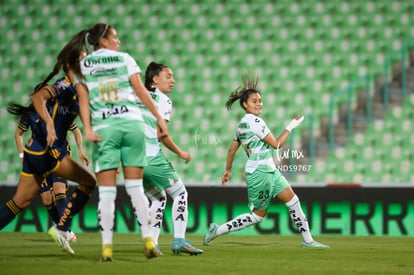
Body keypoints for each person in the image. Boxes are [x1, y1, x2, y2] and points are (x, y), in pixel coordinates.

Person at [73, 23, 168, 261]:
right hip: (132, 125)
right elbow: (141, 91)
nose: (119, 41)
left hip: (106, 129)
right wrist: (158, 117)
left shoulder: (83, 65)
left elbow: (83, 101)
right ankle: (148, 240)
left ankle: (106, 247)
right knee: (136, 188)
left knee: (107, 192)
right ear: (103, 41)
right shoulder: (125, 59)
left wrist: (87, 129)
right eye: (115, 37)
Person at [203, 73, 329, 248]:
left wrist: (228, 170)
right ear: (245, 104)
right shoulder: (255, 122)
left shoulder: (241, 124)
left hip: (269, 170)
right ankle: (217, 230)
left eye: (260, 100)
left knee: (293, 201)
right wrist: (291, 126)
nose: (259, 103)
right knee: (257, 216)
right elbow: (276, 144)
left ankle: (308, 241)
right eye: (255, 101)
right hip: (259, 173)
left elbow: (232, 149)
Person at [0, 37, 97, 255]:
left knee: (20, 202)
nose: (87, 64)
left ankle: (62, 228)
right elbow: (37, 97)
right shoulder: (63, 85)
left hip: (35, 152)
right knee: (89, 181)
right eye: (83, 60)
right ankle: (62, 228)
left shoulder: (78, 90)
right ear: (72, 65)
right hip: (46, 153)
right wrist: (50, 123)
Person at [141, 62, 203, 256]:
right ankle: (179, 240)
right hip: (151, 156)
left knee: (158, 198)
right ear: (154, 79)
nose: (173, 80)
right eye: (168, 76)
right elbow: (161, 134)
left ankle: (152, 243)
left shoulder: (137, 96)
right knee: (180, 194)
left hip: (132, 161)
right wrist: (180, 152)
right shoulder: (163, 100)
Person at [14, 118, 90, 242]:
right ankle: (67, 232)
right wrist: (22, 156)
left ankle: (64, 229)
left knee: (59, 190)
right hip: (39, 161)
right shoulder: (31, 113)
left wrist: (81, 149)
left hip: (60, 158)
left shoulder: (59, 109)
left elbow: (76, 130)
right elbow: (18, 133)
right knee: (47, 199)